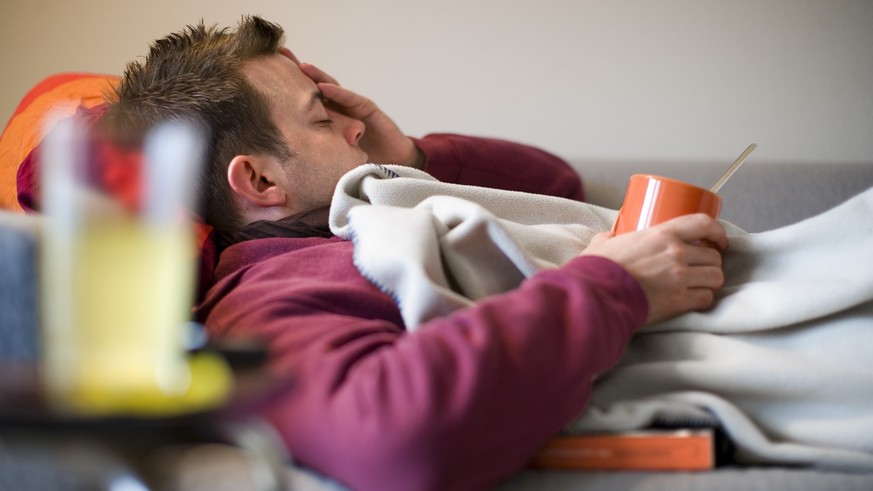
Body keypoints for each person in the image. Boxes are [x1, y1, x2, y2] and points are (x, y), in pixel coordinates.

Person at [102, 15, 727, 491]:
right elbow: (394, 441)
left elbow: (559, 187)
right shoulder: (266, 299)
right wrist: (614, 288)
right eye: (322, 119)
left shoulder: (367, 212)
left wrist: (408, 156)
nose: (351, 125)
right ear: (261, 181)